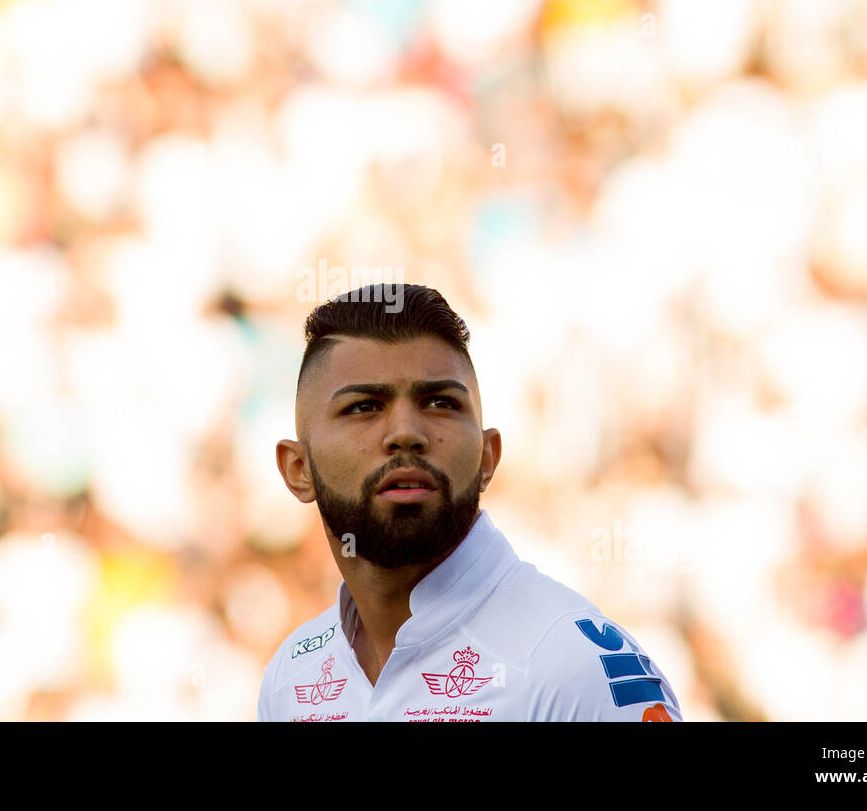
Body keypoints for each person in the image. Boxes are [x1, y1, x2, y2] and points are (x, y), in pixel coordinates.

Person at [258, 283, 682, 721]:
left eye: (440, 402)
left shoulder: (575, 668)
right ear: (297, 469)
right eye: (364, 406)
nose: (405, 431)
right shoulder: (292, 677)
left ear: (486, 457)